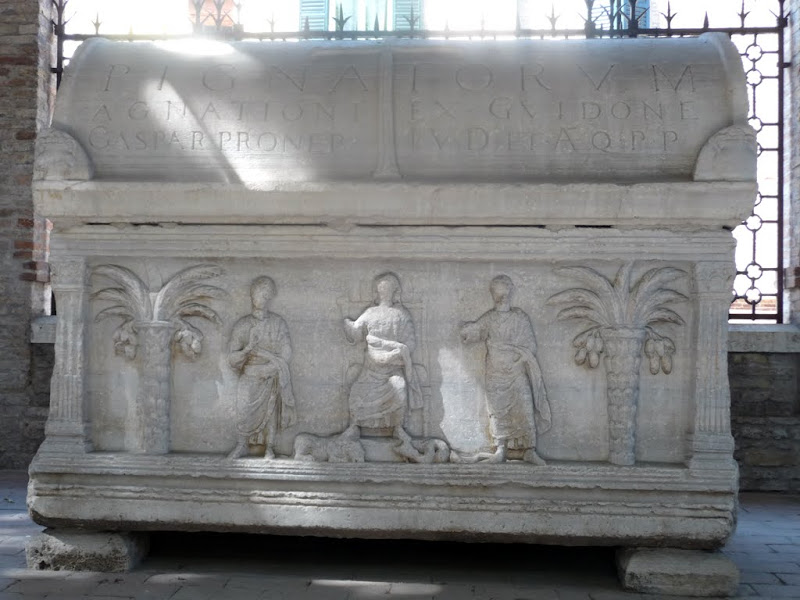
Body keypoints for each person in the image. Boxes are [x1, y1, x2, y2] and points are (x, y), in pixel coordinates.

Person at [460, 275, 551, 464]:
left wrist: (519, 361)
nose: (501, 297)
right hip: (495, 372)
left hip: (516, 371)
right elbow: (475, 332)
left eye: (504, 292)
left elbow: (531, 345)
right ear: (493, 295)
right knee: (497, 410)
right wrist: (466, 331)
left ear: (510, 293)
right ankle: (500, 448)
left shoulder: (520, 318)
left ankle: (529, 450)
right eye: (497, 293)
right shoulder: (490, 318)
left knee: (524, 406)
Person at [342, 272, 427, 462]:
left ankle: (397, 427)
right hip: (371, 366)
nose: (384, 292)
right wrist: (348, 326)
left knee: (399, 388)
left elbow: (410, 342)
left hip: (392, 366)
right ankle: (354, 425)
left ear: (395, 291)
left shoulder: (402, 315)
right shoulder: (370, 312)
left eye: (388, 289)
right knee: (357, 390)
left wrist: (397, 351)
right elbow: (356, 333)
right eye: (381, 289)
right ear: (377, 292)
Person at [227, 276, 295, 459]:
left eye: (266, 294)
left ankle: (269, 448)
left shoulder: (278, 323)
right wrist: (247, 349)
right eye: (259, 292)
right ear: (252, 294)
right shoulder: (242, 325)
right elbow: (232, 359)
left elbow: (287, 350)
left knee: (271, 412)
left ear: (271, 296)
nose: (262, 297)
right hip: (249, 376)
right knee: (243, 411)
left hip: (270, 374)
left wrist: (271, 368)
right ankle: (242, 445)